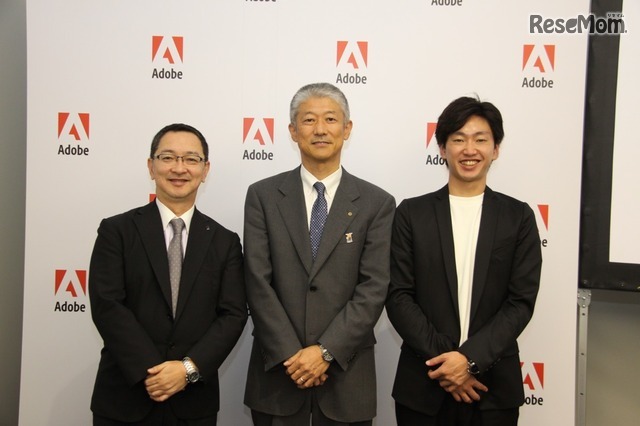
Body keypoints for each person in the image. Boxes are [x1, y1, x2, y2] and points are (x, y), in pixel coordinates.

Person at [243, 82, 395, 426]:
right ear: (293, 131)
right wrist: (292, 355)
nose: (320, 129)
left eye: (330, 119)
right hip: (278, 373)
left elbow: (374, 288)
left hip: (346, 375)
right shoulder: (263, 196)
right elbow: (257, 281)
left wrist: (325, 351)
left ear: (347, 129)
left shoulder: (377, 203)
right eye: (309, 120)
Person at [386, 96, 542, 426]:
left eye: (480, 139)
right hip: (424, 384)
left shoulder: (518, 217)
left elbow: (520, 302)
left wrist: (469, 360)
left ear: (495, 149)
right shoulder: (411, 214)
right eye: (458, 139)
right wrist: (448, 363)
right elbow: (398, 296)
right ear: (442, 149)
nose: (469, 150)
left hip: (493, 389)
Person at [89, 123, 247, 425]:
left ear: (205, 169)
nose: (179, 168)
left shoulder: (224, 241)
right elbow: (107, 305)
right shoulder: (116, 231)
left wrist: (186, 370)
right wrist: (153, 372)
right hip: (125, 398)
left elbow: (233, 314)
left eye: (191, 159)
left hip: (193, 403)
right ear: (151, 166)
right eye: (168, 157)